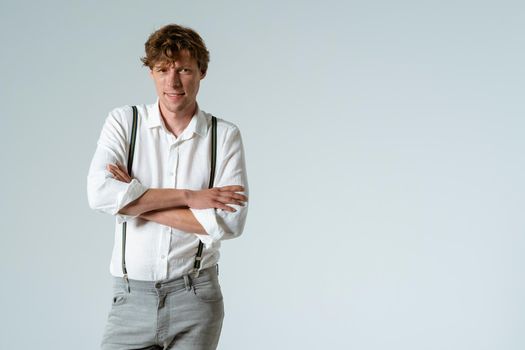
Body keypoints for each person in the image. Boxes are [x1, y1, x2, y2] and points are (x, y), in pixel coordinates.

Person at [87, 23, 249, 350]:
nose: (172, 82)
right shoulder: (124, 122)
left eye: (184, 70)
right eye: (163, 70)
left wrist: (135, 200)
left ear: (202, 72)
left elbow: (230, 223)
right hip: (131, 298)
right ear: (151, 73)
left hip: (197, 299)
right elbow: (99, 195)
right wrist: (192, 198)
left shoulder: (224, 136)